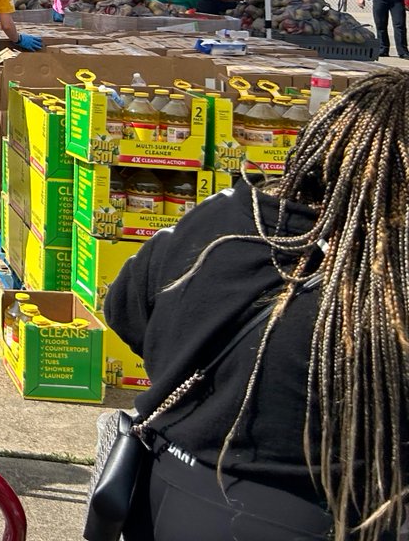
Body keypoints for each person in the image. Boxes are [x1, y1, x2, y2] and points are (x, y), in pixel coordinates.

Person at [104, 68, 409, 541]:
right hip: (324, 515)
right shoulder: (393, 282)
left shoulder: (227, 217)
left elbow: (125, 308)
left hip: (166, 493)